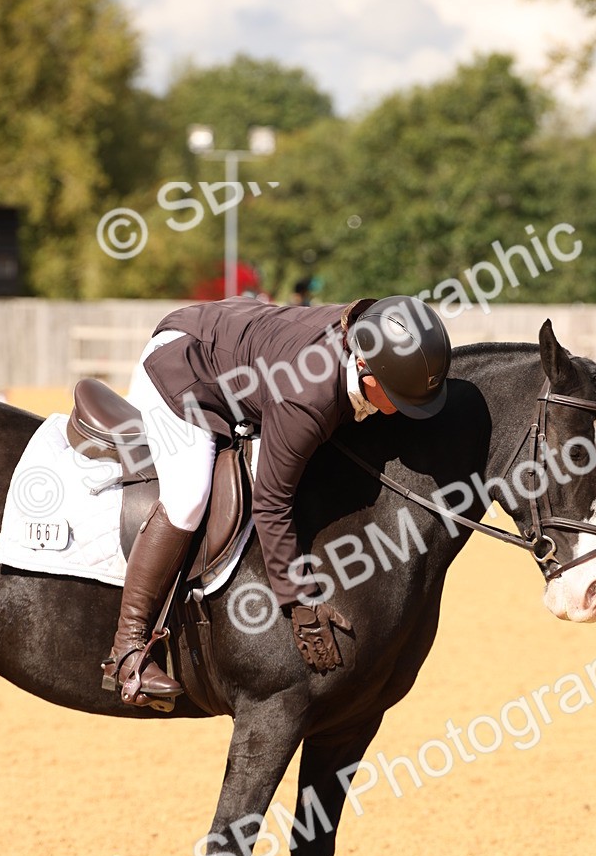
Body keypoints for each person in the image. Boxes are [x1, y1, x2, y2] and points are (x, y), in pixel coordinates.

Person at [103, 296, 451, 705]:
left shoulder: (368, 332)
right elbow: (270, 502)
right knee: (188, 497)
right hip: (183, 366)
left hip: (231, 341)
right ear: (362, 366)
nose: (404, 410)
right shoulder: (306, 400)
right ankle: (127, 648)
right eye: (398, 396)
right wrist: (298, 600)